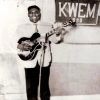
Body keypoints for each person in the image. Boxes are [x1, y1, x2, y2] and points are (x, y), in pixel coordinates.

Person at [17, 5, 66, 100]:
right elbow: (16, 43)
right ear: (28, 15)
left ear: (39, 14)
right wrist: (22, 46)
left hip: (44, 59)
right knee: (31, 86)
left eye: (36, 12)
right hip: (29, 60)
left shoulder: (47, 26)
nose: (33, 14)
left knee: (44, 85)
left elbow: (56, 40)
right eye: (31, 13)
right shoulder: (21, 27)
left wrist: (58, 33)